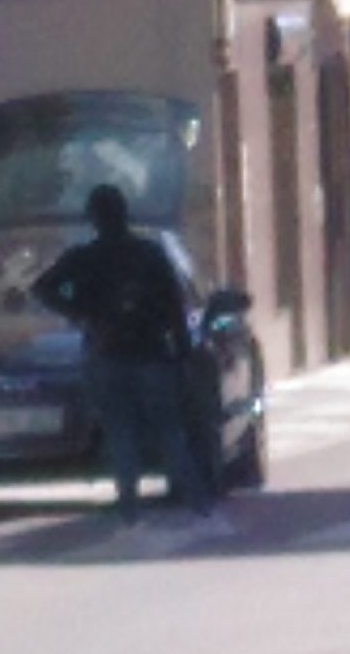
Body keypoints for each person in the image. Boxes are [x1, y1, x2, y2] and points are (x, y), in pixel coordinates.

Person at [31, 185, 218, 531]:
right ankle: (197, 503)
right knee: (169, 432)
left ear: (94, 219)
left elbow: (41, 287)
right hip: (151, 354)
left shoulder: (85, 257)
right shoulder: (149, 254)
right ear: (124, 214)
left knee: (121, 434)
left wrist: (79, 313)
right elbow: (174, 306)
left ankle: (130, 510)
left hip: (107, 354)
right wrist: (182, 352)